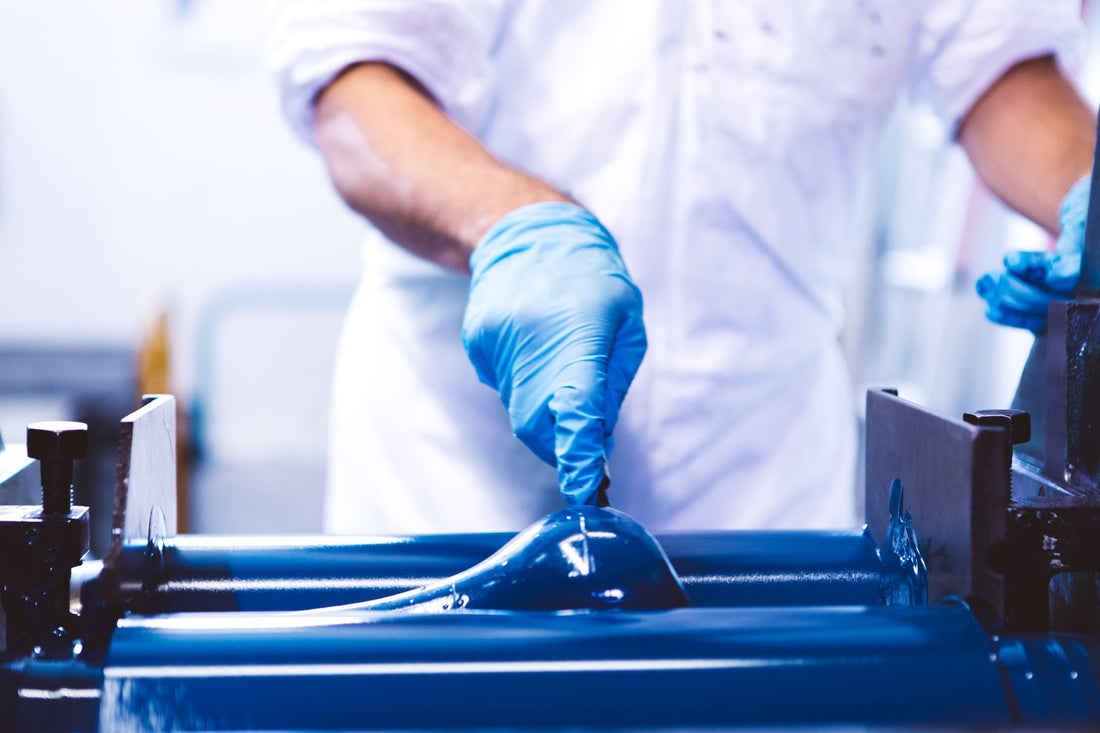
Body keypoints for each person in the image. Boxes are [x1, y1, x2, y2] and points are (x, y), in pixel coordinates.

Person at [265, 1, 1096, 535]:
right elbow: (356, 78)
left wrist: (1090, 198)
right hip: (458, 465)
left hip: (765, 473)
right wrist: (517, 225)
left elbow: (999, 62)